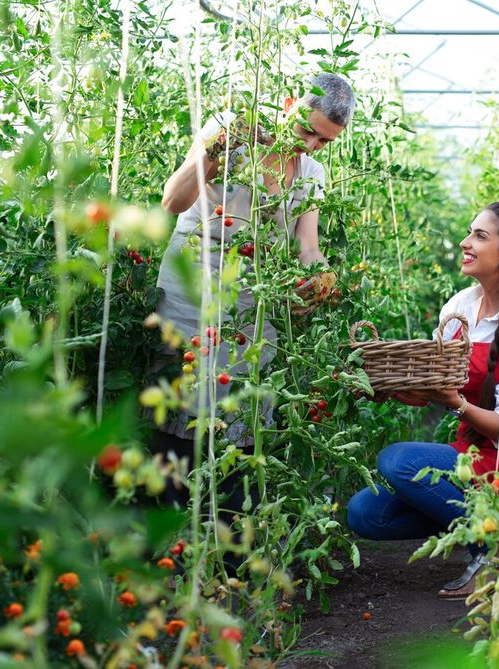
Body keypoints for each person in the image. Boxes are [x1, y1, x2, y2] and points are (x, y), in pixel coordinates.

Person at [148, 73, 354, 539]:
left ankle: (225, 545)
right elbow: (171, 199)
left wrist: (320, 276)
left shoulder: (312, 174)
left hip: (252, 304)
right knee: (179, 403)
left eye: (326, 140)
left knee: (241, 414)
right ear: (288, 105)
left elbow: (307, 245)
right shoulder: (232, 129)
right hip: (193, 286)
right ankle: (168, 538)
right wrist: (215, 151)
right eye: (309, 131)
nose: (314, 146)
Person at [346, 202, 499, 599]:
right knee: (365, 513)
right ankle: (480, 524)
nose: (465, 242)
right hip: (470, 455)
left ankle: (496, 551)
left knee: (398, 461)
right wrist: (386, 387)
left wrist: (456, 404)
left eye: (480, 236)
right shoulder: (461, 307)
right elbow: (436, 386)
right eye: (469, 232)